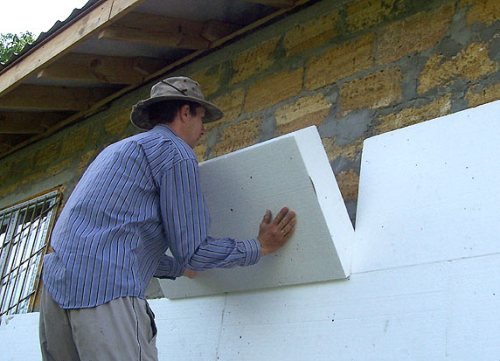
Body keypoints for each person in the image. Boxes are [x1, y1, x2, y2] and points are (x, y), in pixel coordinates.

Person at [39, 76, 297, 361]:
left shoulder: (117, 151)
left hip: (56, 291)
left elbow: (111, 239)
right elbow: (195, 252)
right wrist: (260, 246)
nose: (203, 131)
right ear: (185, 112)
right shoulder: (175, 153)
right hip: (105, 295)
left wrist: (177, 268)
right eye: (201, 120)